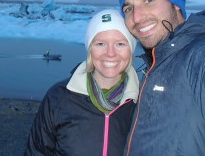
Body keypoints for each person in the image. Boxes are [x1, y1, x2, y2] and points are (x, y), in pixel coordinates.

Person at [24, 9, 139, 156]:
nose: (110, 53)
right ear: (90, 49)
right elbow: (37, 152)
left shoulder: (143, 101)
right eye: (100, 44)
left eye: (120, 44)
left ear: (131, 49)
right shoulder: (59, 97)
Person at [119, 0, 205, 156]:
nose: (136, 17)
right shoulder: (155, 65)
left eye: (148, 0)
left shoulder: (198, 56)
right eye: (128, 8)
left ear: (176, 4)